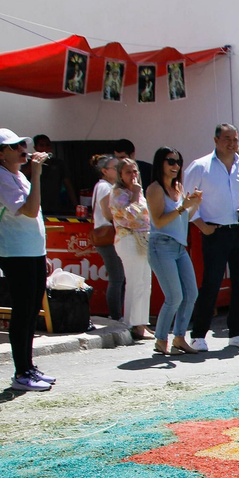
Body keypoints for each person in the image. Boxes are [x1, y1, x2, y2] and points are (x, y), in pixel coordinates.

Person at [0, 129, 54, 392]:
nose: (23, 148)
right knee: (22, 312)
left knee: (32, 310)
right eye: (14, 146)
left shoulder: (18, 174)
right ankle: (21, 372)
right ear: (0, 154)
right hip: (15, 252)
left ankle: (29, 367)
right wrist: (36, 173)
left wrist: (42, 254)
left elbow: (34, 218)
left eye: (22, 143)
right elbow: (30, 209)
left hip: (31, 252)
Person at [183, 124, 239, 351]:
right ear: (216, 140)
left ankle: (236, 333)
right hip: (214, 231)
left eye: (235, 138)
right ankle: (198, 335)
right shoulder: (200, 166)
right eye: (227, 138)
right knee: (211, 283)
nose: (231, 143)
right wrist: (201, 226)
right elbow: (186, 201)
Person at [145, 147, 199, 355]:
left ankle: (179, 338)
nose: (176, 166)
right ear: (160, 163)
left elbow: (184, 217)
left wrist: (193, 204)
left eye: (178, 162)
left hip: (179, 246)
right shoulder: (155, 189)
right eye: (171, 161)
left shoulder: (178, 187)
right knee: (174, 296)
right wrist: (182, 207)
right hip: (161, 245)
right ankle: (160, 340)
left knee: (191, 293)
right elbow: (158, 222)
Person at [109, 158, 154, 341]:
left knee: (145, 282)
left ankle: (141, 322)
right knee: (136, 282)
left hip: (143, 239)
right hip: (128, 239)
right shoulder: (118, 192)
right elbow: (131, 214)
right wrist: (135, 194)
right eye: (128, 172)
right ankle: (134, 324)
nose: (133, 175)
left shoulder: (137, 191)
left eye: (135, 171)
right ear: (120, 175)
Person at [90, 155, 124, 322]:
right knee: (117, 278)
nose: (119, 171)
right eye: (115, 168)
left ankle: (118, 315)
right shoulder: (104, 187)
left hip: (110, 237)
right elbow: (107, 213)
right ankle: (116, 317)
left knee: (118, 278)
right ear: (105, 171)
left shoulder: (109, 186)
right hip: (108, 237)